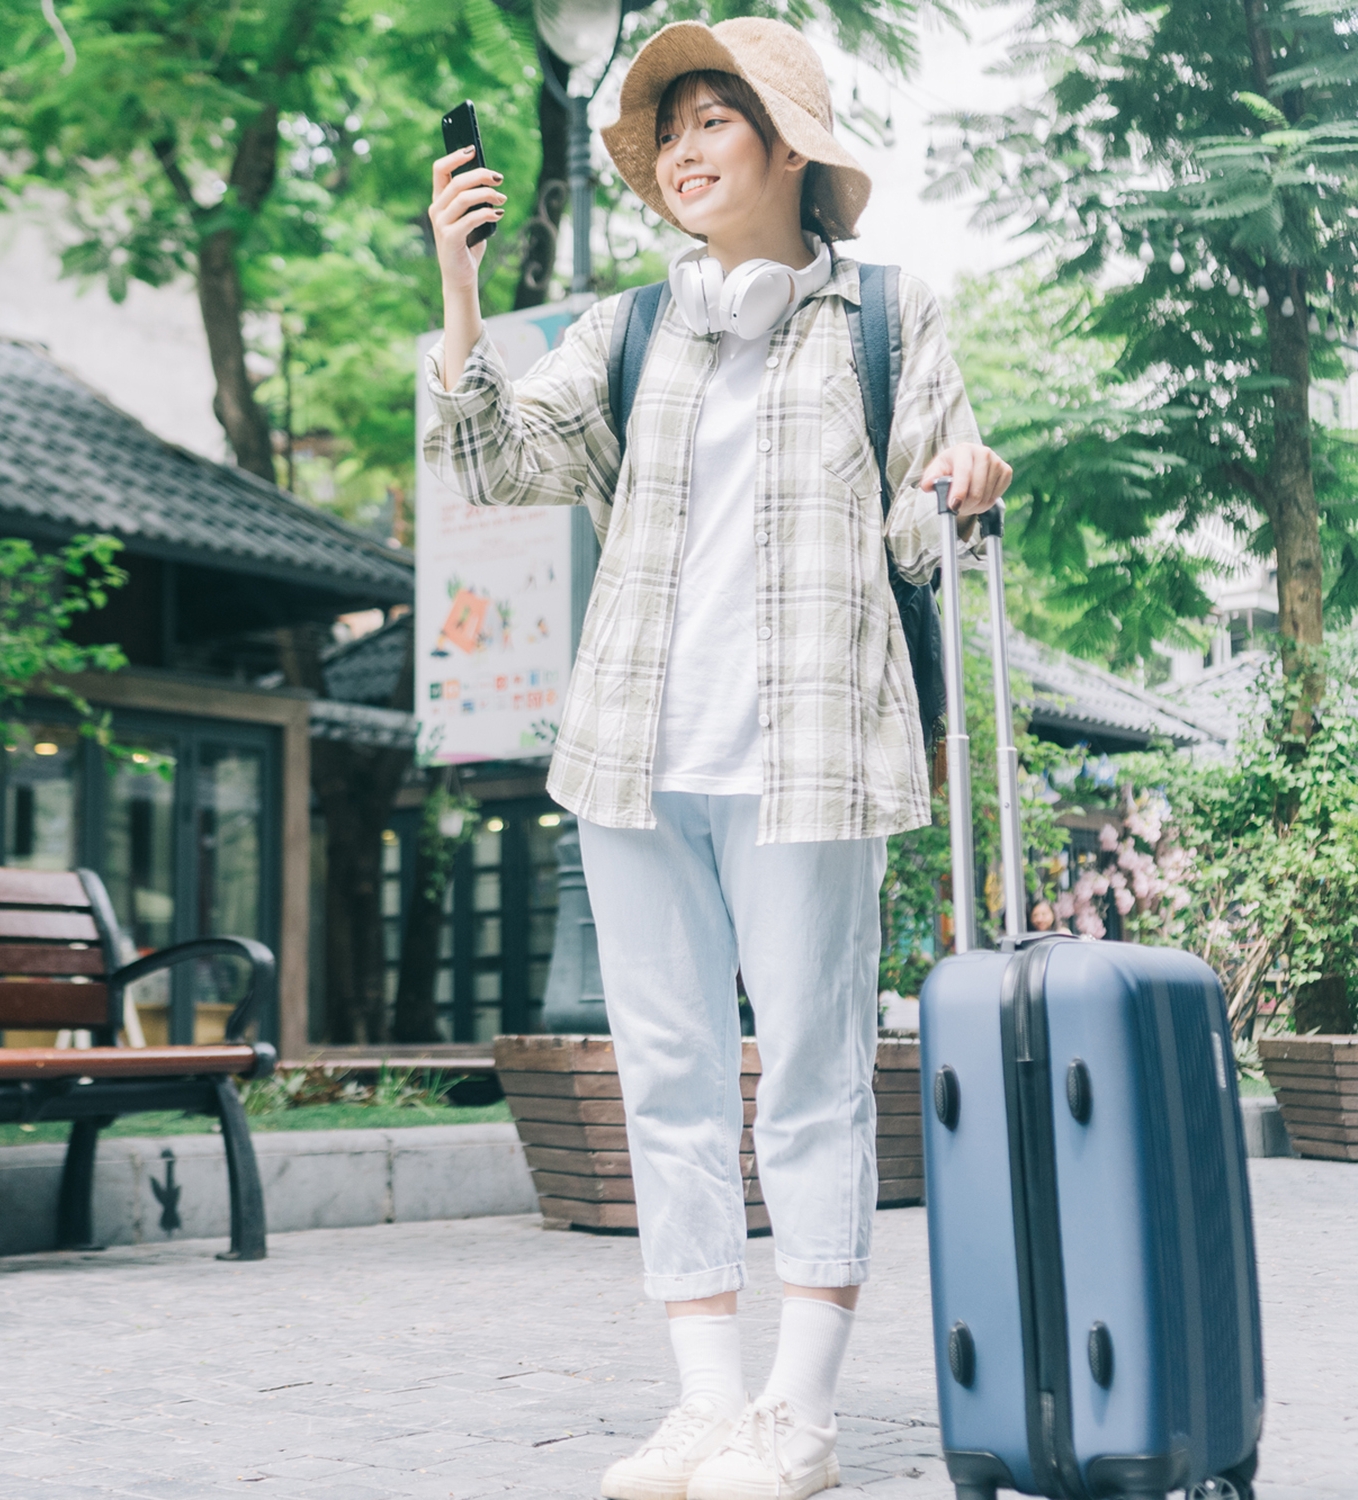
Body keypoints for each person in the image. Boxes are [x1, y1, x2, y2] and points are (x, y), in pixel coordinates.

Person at [423, 18, 1011, 1500]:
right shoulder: (620, 333)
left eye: (714, 121)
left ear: (788, 147)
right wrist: (458, 287)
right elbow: (492, 466)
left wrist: (964, 484)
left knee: (809, 1079)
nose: (683, 151)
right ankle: (703, 1407)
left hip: (810, 755)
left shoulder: (888, 316)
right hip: (634, 758)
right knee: (669, 1076)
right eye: (667, 129)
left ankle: (798, 1418)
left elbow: (920, 526)